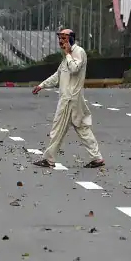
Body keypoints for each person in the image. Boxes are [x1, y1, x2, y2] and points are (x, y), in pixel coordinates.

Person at [32, 29, 105, 169]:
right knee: (82, 128)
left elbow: (74, 69)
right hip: (72, 98)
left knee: (57, 129)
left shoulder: (78, 52)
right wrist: (42, 85)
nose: (61, 42)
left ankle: (49, 159)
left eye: (64, 38)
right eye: (60, 38)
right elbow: (58, 75)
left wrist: (68, 54)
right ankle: (96, 158)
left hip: (69, 99)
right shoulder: (68, 56)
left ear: (71, 39)